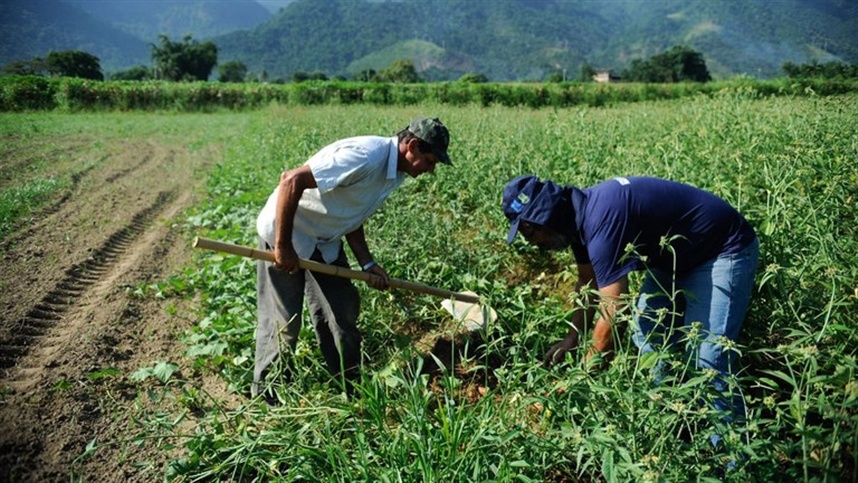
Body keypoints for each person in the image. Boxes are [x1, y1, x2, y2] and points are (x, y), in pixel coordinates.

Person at [502, 174, 759, 422]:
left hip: (721, 249)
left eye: (527, 232)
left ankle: (731, 456)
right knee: (648, 333)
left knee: (709, 359)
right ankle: (669, 419)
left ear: (541, 219)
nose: (530, 242)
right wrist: (573, 336)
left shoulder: (601, 220)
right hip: (673, 257)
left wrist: (583, 375)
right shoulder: (576, 220)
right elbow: (587, 282)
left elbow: (616, 308)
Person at [253, 117, 452, 400]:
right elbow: (291, 180)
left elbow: (352, 213)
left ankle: (349, 386)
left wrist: (368, 263)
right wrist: (282, 246)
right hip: (287, 233)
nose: (431, 170)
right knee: (284, 322)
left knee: (342, 311)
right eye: (431, 161)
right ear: (414, 146)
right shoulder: (366, 156)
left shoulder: (393, 173)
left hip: (325, 240)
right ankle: (267, 396)